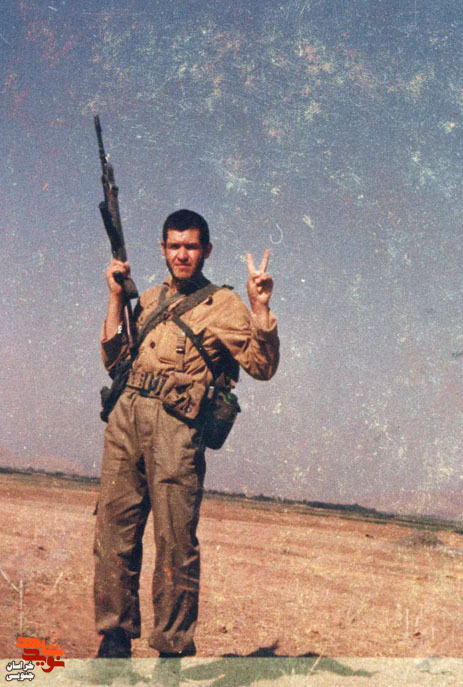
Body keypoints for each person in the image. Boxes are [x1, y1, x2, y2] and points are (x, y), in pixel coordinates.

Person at [94, 209, 279, 659]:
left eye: (191, 246)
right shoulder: (149, 299)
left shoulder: (223, 304)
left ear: (206, 250)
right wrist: (115, 299)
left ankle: (172, 649)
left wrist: (260, 307)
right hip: (125, 420)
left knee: (175, 540)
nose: (182, 254)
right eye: (174, 246)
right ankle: (114, 639)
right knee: (113, 530)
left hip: (176, 428)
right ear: (162, 249)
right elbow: (114, 361)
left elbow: (262, 366)